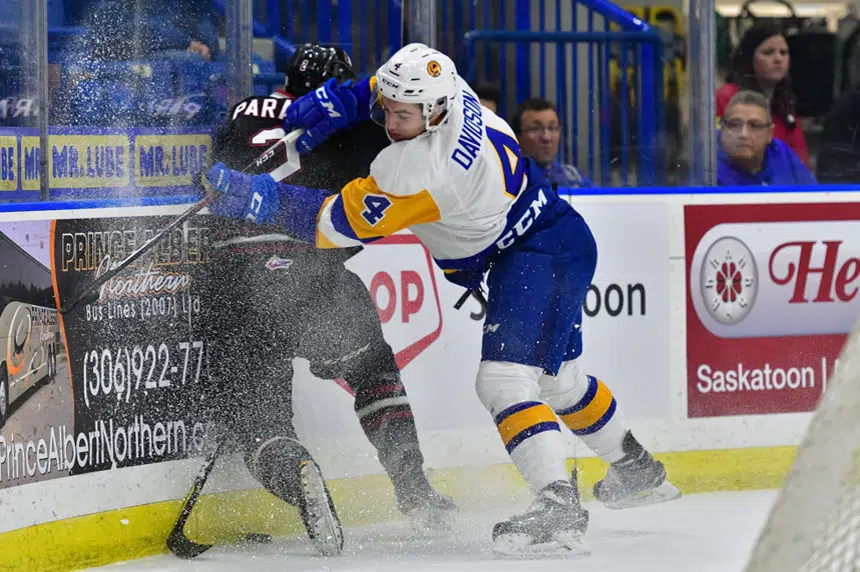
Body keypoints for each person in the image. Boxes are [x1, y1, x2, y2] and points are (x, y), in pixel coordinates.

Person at [203, 42, 679, 556]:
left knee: (502, 380)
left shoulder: (423, 169)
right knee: (559, 379)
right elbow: (384, 86)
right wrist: (347, 98)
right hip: (556, 235)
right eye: (387, 109)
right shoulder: (446, 83)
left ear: (433, 114)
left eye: (402, 116)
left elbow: (332, 223)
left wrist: (261, 197)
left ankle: (557, 505)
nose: (390, 122)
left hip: (533, 254)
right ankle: (637, 470)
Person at [198, 44, 457, 556]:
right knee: (375, 371)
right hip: (313, 271)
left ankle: (296, 471)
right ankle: (416, 493)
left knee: (260, 424)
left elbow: (209, 179)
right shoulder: (365, 129)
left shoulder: (242, 111)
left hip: (235, 274)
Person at [716, 23, 808, 165]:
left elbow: (801, 163)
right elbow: (719, 156)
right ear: (749, 58)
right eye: (768, 53)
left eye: (783, 53)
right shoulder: (727, 98)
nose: (778, 59)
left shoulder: (785, 103)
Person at [717, 90, 816, 186]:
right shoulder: (709, 161)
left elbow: (812, 193)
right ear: (722, 129)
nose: (744, 134)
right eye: (734, 124)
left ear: (770, 133)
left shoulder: (781, 153)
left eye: (755, 125)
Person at [510, 97, 590, 188]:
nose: (547, 137)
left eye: (552, 128)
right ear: (517, 137)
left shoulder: (573, 177)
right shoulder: (510, 181)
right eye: (535, 129)